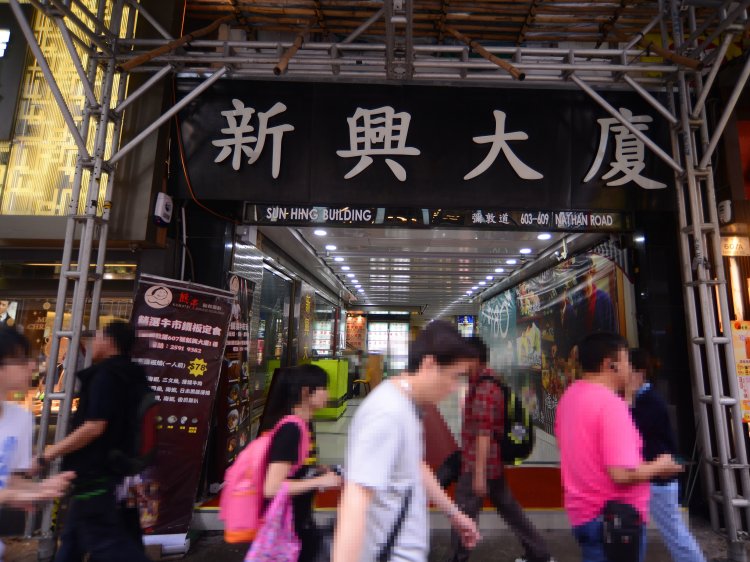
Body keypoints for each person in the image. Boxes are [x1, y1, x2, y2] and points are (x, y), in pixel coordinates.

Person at [332, 320, 481, 562]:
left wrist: (453, 513)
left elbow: (415, 466)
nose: (454, 388)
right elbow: (355, 501)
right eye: (454, 376)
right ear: (429, 365)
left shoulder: (408, 405)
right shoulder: (387, 413)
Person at [555, 332, 682, 562]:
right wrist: (660, 465)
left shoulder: (569, 397)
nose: (629, 368)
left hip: (585, 515)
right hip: (614, 522)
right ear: (609, 364)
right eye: (625, 360)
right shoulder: (610, 405)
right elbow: (621, 474)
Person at [36, 321, 151, 562]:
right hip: (120, 473)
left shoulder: (106, 375)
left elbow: (94, 427)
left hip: (97, 475)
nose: (93, 342)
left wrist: (47, 455)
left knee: (108, 544)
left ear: (109, 341)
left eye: (97, 337)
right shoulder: (135, 374)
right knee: (74, 541)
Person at [449, 336, 554, 562]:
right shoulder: (485, 383)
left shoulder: (485, 389)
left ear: (474, 359)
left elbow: (484, 433)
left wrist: (478, 475)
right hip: (490, 464)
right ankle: (540, 554)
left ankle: (457, 558)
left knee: (463, 514)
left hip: (479, 464)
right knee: (510, 511)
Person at [0, 326, 75, 561]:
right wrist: (12, 496)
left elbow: (7, 478)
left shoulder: (21, 419)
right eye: (22, 360)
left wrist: (38, 489)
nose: (32, 366)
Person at [625, 349, 706, 562]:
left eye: (627, 368)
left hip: (659, 479)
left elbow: (629, 429)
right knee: (637, 533)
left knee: (674, 533)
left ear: (640, 373)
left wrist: (627, 398)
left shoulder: (650, 401)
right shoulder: (641, 399)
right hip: (647, 476)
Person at [259, 364, 343, 562]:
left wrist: (315, 470)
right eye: (323, 388)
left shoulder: (305, 424)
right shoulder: (291, 429)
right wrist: (319, 482)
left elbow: (294, 466)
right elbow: (271, 488)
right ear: (306, 392)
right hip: (286, 528)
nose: (328, 393)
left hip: (299, 521)